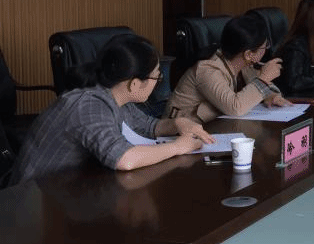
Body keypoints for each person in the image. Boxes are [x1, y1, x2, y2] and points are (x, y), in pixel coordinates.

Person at [13, 34, 213, 183]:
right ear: (134, 84)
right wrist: (178, 147)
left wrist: (178, 123)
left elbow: (147, 126)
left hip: (69, 189)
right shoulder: (90, 105)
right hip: (31, 200)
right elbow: (124, 159)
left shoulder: (115, 94)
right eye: (157, 77)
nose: (158, 81)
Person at [165, 14, 289, 123]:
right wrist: (264, 79)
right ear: (248, 54)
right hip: (177, 134)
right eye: (265, 46)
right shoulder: (207, 70)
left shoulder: (241, 64)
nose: (266, 49)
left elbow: (260, 87)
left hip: (212, 129)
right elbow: (236, 107)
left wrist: (271, 96)